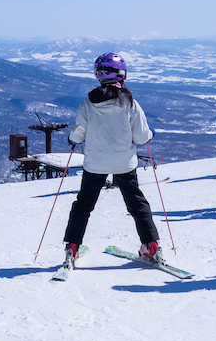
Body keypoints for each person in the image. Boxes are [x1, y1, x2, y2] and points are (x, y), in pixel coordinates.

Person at [62, 53, 163, 267]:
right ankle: (152, 247)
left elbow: (79, 133)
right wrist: (150, 133)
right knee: (137, 204)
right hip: (124, 163)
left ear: (98, 75)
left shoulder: (89, 102)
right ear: (122, 74)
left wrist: (72, 139)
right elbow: (142, 136)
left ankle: (72, 248)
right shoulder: (129, 102)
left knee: (83, 205)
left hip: (95, 164)